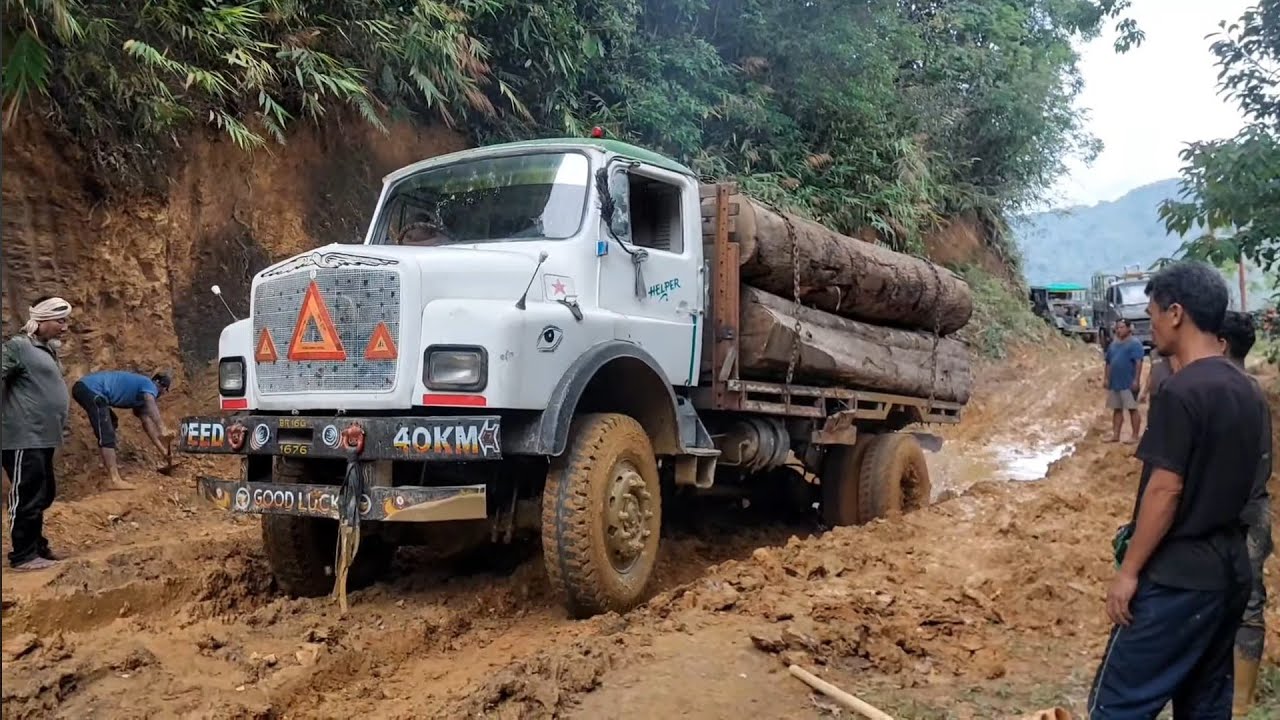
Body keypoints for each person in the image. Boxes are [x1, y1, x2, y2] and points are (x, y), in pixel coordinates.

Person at [1087, 262, 1267, 718]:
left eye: (1151, 311)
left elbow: (1165, 491)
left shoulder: (1181, 391)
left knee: (1116, 705)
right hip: (1230, 570)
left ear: (1176, 314)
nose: (1150, 323)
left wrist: (1128, 572)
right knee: (1205, 706)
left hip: (1178, 576)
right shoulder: (1248, 392)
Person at [1215, 311, 1273, 715]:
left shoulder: (1225, 393)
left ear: (1220, 344)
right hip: (1256, 513)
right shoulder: (1253, 392)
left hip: (1232, 518)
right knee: (1250, 604)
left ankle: (1234, 700)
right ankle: (1242, 700)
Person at [1, 296, 73, 571]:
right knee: (26, 493)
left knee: (43, 493)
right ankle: (23, 555)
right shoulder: (18, 347)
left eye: (65, 320)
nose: (64, 327)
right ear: (40, 320)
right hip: (22, 436)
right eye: (59, 321)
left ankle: (37, 546)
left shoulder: (46, 349)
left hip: (43, 437)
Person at [71, 369, 174, 491]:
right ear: (159, 385)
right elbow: (149, 400)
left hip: (89, 390)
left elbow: (147, 422)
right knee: (106, 433)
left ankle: (108, 460)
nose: (161, 394)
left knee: (111, 421)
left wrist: (163, 452)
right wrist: (162, 428)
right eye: (164, 390)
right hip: (89, 389)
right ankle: (114, 479)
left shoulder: (141, 397)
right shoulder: (148, 384)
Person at [1103, 319, 1145, 443]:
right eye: (1117, 328)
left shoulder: (1135, 344)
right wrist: (1106, 378)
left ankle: (1135, 436)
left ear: (1128, 328)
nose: (1119, 330)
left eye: (1121, 327)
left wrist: (1136, 380)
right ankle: (1115, 435)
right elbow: (1108, 363)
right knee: (1117, 409)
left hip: (1128, 382)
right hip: (1115, 383)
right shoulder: (1113, 345)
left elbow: (1138, 363)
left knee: (1132, 409)